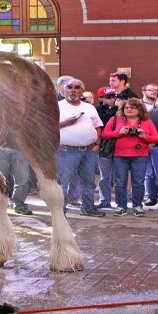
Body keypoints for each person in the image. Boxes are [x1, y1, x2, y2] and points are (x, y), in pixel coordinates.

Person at [101, 98, 158, 217]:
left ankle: (137, 206)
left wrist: (144, 136)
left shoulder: (146, 121)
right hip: (119, 156)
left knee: (138, 182)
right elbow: (104, 134)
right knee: (120, 182)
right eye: (126, 107)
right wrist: (119, 133)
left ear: (139, 109)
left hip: (140, 156)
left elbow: (156, 139)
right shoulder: (115, 120)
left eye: (132, 107)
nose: (129, 109)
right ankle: (121, 206)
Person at [57, 78, 106, 217]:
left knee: (89, 182)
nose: (73, 90)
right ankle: (61, 211)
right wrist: (66, 123)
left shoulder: (89, 107)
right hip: (65, 151)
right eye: (70, 87)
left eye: (77, 87)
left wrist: (97, 144)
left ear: (81, 90)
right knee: (63, 183)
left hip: (89, 151)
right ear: (64, 90)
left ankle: (88, 208)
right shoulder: (57, 106)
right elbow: (48, 127)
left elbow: (97, 126)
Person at [95, 87, 119, 209]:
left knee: (121, 175)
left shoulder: (122, 109)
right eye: (108, 97)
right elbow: (102, 123)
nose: (112, 99)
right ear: (101, 98)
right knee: (105, 176)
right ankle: (104, 200)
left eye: (114, 97)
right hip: (105, 146)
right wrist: (112, 109)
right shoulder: (97, 110)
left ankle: (121, 201)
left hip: (120, 145)